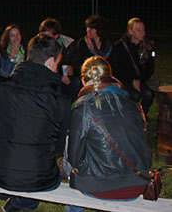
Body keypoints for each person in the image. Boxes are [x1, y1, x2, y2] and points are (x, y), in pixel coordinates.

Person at [0, 34, 71, 212]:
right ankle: (18, 204)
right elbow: (60, 145)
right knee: (39, 176)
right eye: (57, 63)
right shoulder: (60, 97)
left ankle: (13, 199)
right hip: (38, 176)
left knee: (28, 170)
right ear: (50, 62)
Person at [63, 56, 153, 212]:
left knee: (69, 143)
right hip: (137, 183)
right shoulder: (135, 107)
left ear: (84, 81)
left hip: (99, 187)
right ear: (111, 77)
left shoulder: (82, 110)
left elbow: (75, 160)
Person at [109, 18, 156, 116]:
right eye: (138, 30)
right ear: (130, 31)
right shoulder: (119, 47)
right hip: (123, 80)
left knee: (149, 94)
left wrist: (139, 79)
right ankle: (129, 116)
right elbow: (116, 70)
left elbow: (150, 67)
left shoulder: (147, 47)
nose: (142, 33)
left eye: (143, 30)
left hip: (140, 79)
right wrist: (131, 80)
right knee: (134, 95)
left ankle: (142, 115)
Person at [70, 15, 113, 100]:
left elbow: (113, 63)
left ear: (99, 30)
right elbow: (77, 63)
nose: (88, 30)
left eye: (92, 28)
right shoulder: (83, 43)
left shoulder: (108, 45)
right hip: (88, 75)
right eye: (87, 27)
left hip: (104, 75)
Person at [39, 17, 76, 89]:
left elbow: (76, 63)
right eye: (42, 35)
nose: (44, 39)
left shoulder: (68, 44)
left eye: (47, 36)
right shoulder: (37, 44)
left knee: (75, 82)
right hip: (45, 76)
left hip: (62, 74)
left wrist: (72, 69)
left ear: (56, 36)